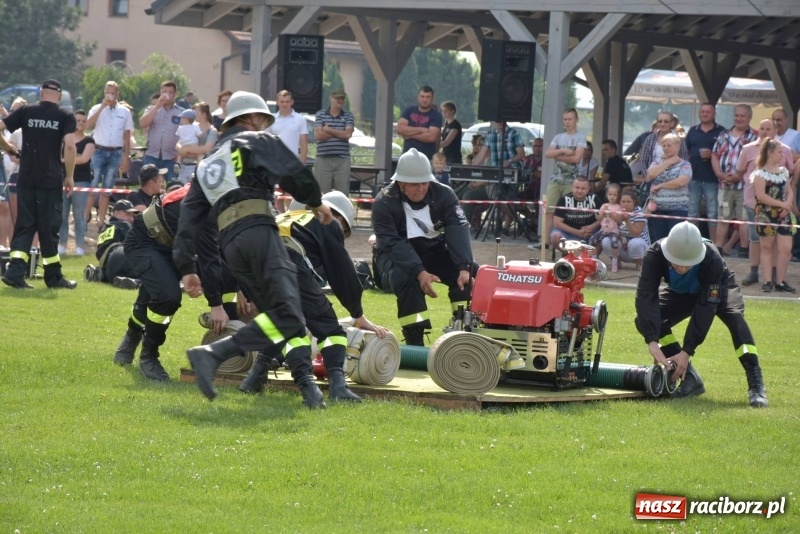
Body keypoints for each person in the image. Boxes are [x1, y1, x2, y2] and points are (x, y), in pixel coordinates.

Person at [173, 91, 336, 409]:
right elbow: (292, 171)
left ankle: (305, 389)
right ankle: (213, 354)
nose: (264, 125)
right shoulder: (253, 140)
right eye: (262, 119)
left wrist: (187, 268)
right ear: (250, 118)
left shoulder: (206, 164)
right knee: (289, 314)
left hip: (231, 246)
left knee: (281, 315)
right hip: (260, 232)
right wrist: (316, 201)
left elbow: (188, 220)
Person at [239, 191, 388, 396]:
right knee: (331, 330)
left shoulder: (288, 217)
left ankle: (254, 378)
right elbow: (342, 273)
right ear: (339, 217)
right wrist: (357, 313)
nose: (341, 232)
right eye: (344, 228)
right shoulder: (328, 222)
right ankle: (338, 388)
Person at [634, 221, 768, 408]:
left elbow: (705, 307)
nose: (682, 268)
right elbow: (646, 296)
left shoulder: (712, 258)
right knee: (646, 321)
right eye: (677, 263)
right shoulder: (654, 255)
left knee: (736, 319)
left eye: (687, 264)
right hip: (682, 293)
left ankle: (756, 385)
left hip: (719, 287)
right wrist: (652, 339)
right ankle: (690, 377)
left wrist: (687, 351)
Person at [112, 184, 226, 381]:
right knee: (167, 297)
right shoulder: (204, 204)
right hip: (145, 241)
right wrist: (216, 305)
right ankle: (148, 355)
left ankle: (132, 337)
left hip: (172, 245)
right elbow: (209, 258)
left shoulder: (216, 195)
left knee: (154, 294)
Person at [372, 148, 476, 346]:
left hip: (434, 250)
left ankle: (464, 333)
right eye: (414, 184)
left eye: (424, 182)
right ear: (400, 183)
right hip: (396, 256)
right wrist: (420, 273)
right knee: (407, 280)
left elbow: (458, 228)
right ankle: (415, 342)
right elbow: (392, 244)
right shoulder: (383, 202)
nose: (420, 188)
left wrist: (464, 267)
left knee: (472, 276)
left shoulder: (445, 194)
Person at [0, 79, 77, 290]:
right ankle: (53, 277)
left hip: (26, 178)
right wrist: (70, 176)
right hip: (50, 180)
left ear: (41, 94)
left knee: (25, 225)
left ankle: (14, 272)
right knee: (49, 227)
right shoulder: (65, 116)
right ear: (59, 97)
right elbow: (70, 147)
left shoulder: (26, 111)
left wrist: (8, 148)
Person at [736, 119, 795, 286]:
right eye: (761, 128)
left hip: (781, 208)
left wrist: (787, 204)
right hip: (753, 203)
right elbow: (740, 171)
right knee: (755, 240)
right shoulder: (747, 149)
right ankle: (754, 272)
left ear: (775, 131)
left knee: (778, 244)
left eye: (768, 129)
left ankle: (776, 276)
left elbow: (790, 174)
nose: (764, 131)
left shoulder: (785, 150)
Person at [84, 81, 134, 227]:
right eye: (107, 92)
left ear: (117, 94)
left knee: (106, 190)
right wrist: (102, 107)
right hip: (98, 151)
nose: (109, 95)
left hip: (115, 153)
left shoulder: (125, 112)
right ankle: (85, 218)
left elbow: (127, 135)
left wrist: (126, 157)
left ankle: (101, 222)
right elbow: (88, 125)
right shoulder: (96, 108)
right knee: (92, 187)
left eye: (112, 93)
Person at [711, 104, 758, 253]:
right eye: (736, 115)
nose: (739, 118)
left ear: (749, 117)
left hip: (744, 187)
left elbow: (757, 160)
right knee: (723, 217)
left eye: (742, 116)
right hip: (725, 186)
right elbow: (714, 154)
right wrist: (719, 173)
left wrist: (739, 176)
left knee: (743, 219)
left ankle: (744, 250)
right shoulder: (724, 134)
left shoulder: (755, 136)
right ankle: (718, 249)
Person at [752, 138, 795, 293]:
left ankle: (780, 281)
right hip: (766, 214)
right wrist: (782, 204)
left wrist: (787, 204)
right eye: (779, 152)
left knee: (786, 249)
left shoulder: (783, 171)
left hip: (784, 214)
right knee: (767, 248)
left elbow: (789, 191)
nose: (782, 155)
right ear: (770, 153)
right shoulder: (760, 173)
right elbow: (761, 196)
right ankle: (768, 281)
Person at [473, 120, 525, 235]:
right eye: (498, 121)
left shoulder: (513, 133)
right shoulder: (490, 134)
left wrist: (509, 161)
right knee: (496, 198)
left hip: (512, 171)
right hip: (496, 172)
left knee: (508, 201)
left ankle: (515, 223)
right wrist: (471, 167)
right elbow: (482, 154)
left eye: (501, 121)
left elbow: (521, 153)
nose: (500, 124)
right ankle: (520, 221)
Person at [684, 103, 725, 239]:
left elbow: (725, 154)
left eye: (708, 112)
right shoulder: (693, 131)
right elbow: (686, 152)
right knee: (691, 213)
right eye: (703, 112)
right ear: (699, 114)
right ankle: (692, 241)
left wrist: (712, 155)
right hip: (693, 178)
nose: (705, 114)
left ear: (714, 114)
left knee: (713, 214)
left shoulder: (722, 132)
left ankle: (712, 244)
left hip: (713, 179)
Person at [545, 108, 587, 239]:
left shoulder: (580, 137)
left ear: (576, 120)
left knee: (568, 212)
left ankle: (568, 239)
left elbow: (576, 159)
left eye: (570, 119)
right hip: (555, 179)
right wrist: (563, 150)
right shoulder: (558, 137)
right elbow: (548, 153)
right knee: (549, 211)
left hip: (571, 181)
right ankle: (544, 242)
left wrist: (558, 157)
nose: (567, 122)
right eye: (565, 119)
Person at [642, 133, 692, 242]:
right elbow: (649, 175)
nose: (665, 148)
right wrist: (668, 162)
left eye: (669, 145)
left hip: (678, 209)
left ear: (677, 146)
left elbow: (681, 182)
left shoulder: (685, 164)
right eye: (663, 146)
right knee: (659, 241)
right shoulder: (656, 162)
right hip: (658, 209)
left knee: (676, 241)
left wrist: (660, 185)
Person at [59, 110, 95, 256]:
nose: (80, 123)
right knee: (62, 214)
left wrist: (64, 159)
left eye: (83, 121)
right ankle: (62, 244)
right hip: (62, 179)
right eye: (78, 120)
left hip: (81, 180)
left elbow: (83, 159)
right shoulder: (63, 139)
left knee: (79, 214)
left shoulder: (89, 141)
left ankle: (79, 246)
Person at [634, 111, 689, 207]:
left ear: (672, 123)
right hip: (652, 179)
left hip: (672, 180)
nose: (663, 124)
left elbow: (684, 159)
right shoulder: (650, 138)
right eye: (660, 121)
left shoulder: (679, 140)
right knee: (650, 208)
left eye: (666, 121)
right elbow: (643, 160)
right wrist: (646, 176)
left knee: (671, 207)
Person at [86, 199, 139, 286]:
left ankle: (105, 277)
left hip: (107, 267)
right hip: (121, 254)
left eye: (133, 216)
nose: (131, 218)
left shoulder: (105, 228)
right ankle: (138, 282)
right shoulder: (124, 224)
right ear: (116, 213)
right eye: (128, 214)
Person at [139, 80, 183, 182]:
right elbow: (143, 124)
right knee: (149, 184)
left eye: (170, 92)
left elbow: (185, 135)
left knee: (172, 185)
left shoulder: (181, 112)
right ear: (161, 93)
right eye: (164, 92)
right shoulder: (152, 109)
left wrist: (179, 154)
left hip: (171, 157)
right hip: (151, 155)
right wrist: (156, 107)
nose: (167, 94)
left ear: (175, 94)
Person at [313, 88, 354, 194]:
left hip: (342, 159)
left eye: (342, 98)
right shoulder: (320, 114)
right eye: (337, 98)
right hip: (323, 159)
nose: (340, 101)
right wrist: (340, 133)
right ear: (331, 98)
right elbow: (318, 135)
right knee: (321, 193)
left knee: (342, 193)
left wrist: (328, 130)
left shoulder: (348, 115)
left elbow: (347, 134)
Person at [549, 175, 601, 249]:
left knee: (605, 233)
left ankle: (593, 255)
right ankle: (566, 254)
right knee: (555, 236)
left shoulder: (594, 198)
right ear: (572, 187)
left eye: (583, 188)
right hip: (567, 233)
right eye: (577, 187)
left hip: (589, 233)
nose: (579, 191)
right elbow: (557, 223)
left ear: (588, 189)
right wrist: (578, 232)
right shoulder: (564, 199)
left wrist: (592, 227)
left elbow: (604, 218)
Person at [176, 102, 218, 184]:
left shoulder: (212, 131)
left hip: (199, 168)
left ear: (204, 114)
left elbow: (207, 148)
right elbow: (178, 144)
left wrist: (187, 149)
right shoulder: (190, 126)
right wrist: (184, 152)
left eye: (195, 112)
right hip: (184, 166)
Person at [396, 85, 443, 159]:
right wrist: (422, 130)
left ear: (432, 98)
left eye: (428, 97)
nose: (424, 99)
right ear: (418, 97)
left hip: (426, 158)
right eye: (422, 96)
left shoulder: (436, 116)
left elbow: (431, 137)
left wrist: (409, 135)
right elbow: (399, 129)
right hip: (407, 157)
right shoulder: (409, 111)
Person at [588, 183, 623, 272]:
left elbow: (618, 220)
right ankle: (594, 260)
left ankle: (614, 262)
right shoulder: (604, 206)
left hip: (613, 231)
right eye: (610, 194)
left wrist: (611, 214)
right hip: (603, 230)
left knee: (614, 243)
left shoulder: (618, 207)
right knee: (592, 240)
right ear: (606, 195)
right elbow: (599, 219)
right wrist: (603, 213)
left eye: (614, 195)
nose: (612, 196)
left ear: (618, 196)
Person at [617, 189, 651, 269]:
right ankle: (616, 262)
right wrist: (621, 237)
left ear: (634, 202)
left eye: (628, 202)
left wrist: (627, 220)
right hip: (623, 247)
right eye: (623, 201)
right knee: (608, 240)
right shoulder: (617, 211)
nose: (625, 204)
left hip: (639, 246)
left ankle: (639, 264)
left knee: (635, 242)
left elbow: (636, 234)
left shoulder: (639, 213)